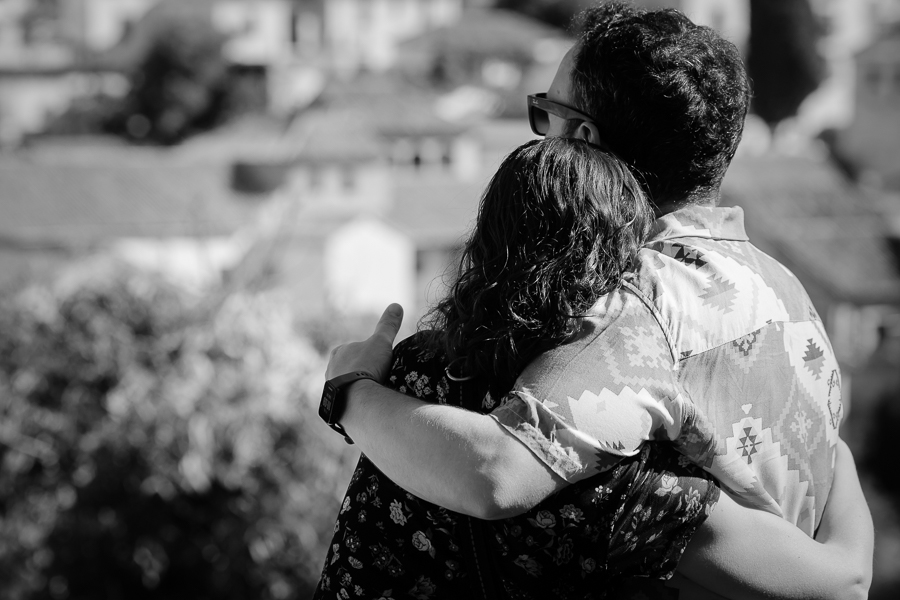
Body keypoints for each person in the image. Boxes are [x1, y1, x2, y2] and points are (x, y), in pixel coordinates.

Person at [319, 1, 873, 597]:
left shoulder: (637, 307)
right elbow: (833, 477)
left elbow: (499, 473)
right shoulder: (792, 298)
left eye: (546, 114)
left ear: (581, 139)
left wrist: (352, 394)